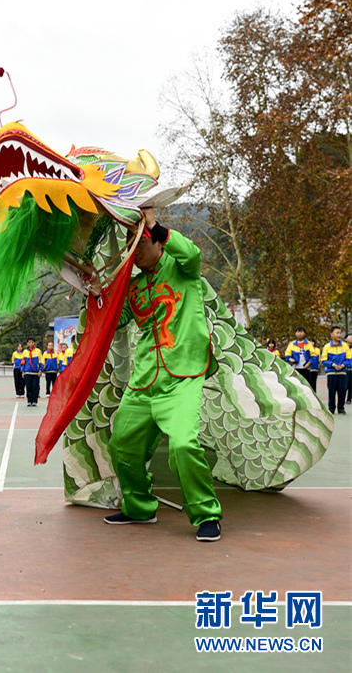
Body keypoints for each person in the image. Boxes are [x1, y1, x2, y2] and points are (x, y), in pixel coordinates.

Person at [104, 209, 223, 542]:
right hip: (144, 379)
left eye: (139, 241)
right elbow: (114, 318)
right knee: (122, 444)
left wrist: (154, 224)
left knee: (183, 445)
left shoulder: (183, 268)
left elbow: (193, 252)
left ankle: (206, 514)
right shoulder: (134, 286)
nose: (134, 249)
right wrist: (95, 292)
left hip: (182, 375)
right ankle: (139, 507)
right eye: (129, 243)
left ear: (157, 242)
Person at [320, 326, 351, 415]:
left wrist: (343, 365)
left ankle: (341, 408)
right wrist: (333, 365)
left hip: (342, 372)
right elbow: (324, 360)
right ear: (331, 334)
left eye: (340, 333)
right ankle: (331, 409)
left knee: (342, 390)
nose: (339, 335)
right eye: (337, 333)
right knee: (332, 391)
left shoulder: (345, 346)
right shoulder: (327, 347)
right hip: (331, 372)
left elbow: (349, 359)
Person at [284, 327, 316, 392]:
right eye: (298, 332)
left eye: (301, 332)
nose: (300, 334)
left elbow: (313, 355)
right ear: (295, 333)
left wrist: (309, 363)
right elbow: (287, 353)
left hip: (305, 368)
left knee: (306, 386)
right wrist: (290, 359)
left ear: (304, 333)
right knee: (296, 385)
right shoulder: (292, 344)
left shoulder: (308, 344)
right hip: (295, 368)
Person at [21, 338, 41, 407]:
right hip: (27, 372)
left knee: (35, 387)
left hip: (35, 373)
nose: (31, 344)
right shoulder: (25, 352)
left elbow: (40, 361)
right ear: (27, 343)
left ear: (34, 343)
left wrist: (40, 370)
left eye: (32, 342)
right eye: (29, 342)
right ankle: (29, 400)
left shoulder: (38, 351)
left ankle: (34, 401)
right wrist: (23, 371)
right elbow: (23, 362)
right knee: (28, 387)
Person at [346, 333, 352, 404]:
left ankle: (349, 398)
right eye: (350, 337)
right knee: (345, 385)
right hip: (345, 368)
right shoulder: (343, 347)